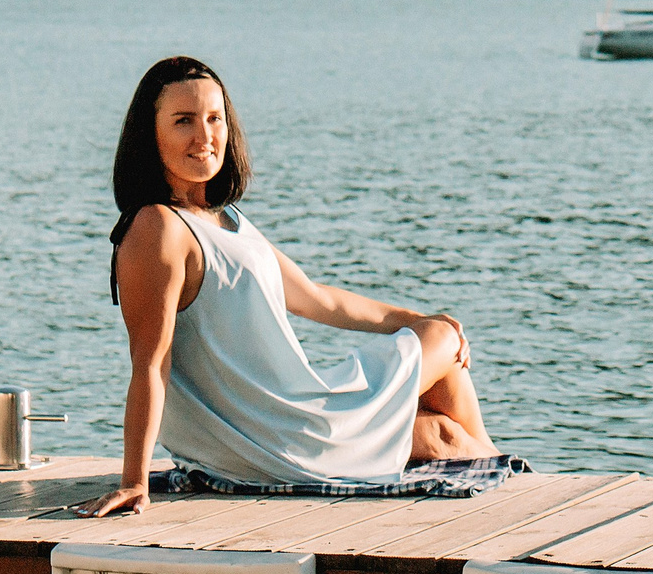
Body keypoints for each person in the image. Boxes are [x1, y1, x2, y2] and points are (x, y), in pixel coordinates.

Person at [75, 55, 497, 518]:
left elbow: (316, 298)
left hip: (287, 424)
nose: (204, 136)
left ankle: (495, 471)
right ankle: (507, 481)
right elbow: (151, 363)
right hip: (275, 435)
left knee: (443, 425)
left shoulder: (225, 219)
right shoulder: (159, 228)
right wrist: (134, 481)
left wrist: (416, 319)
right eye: (183, 121)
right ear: (149, 136)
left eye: (215, 119)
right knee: (444, 346)